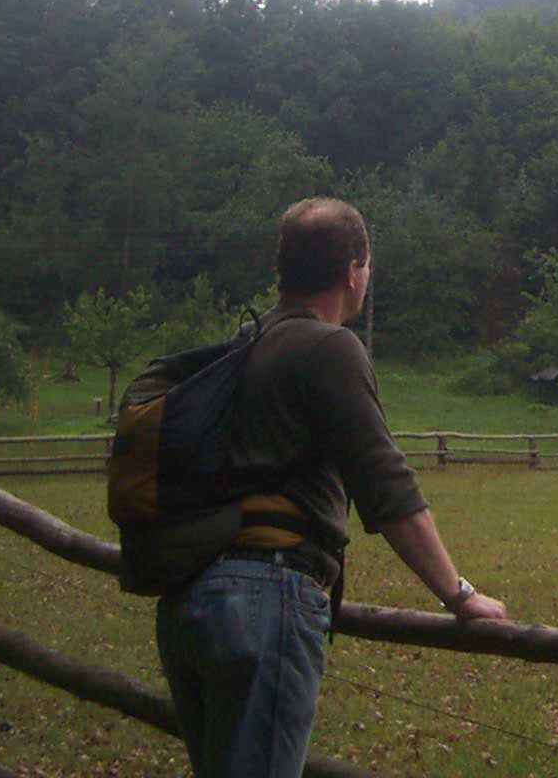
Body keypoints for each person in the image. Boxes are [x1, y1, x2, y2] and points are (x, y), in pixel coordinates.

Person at [154, 197, 506, 778]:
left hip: (192, 597)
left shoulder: (249, 339)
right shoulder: (330, 346)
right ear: (351, 269)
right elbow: (385, 485)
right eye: (366, 267)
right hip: (265, 598)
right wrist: (459, 594)